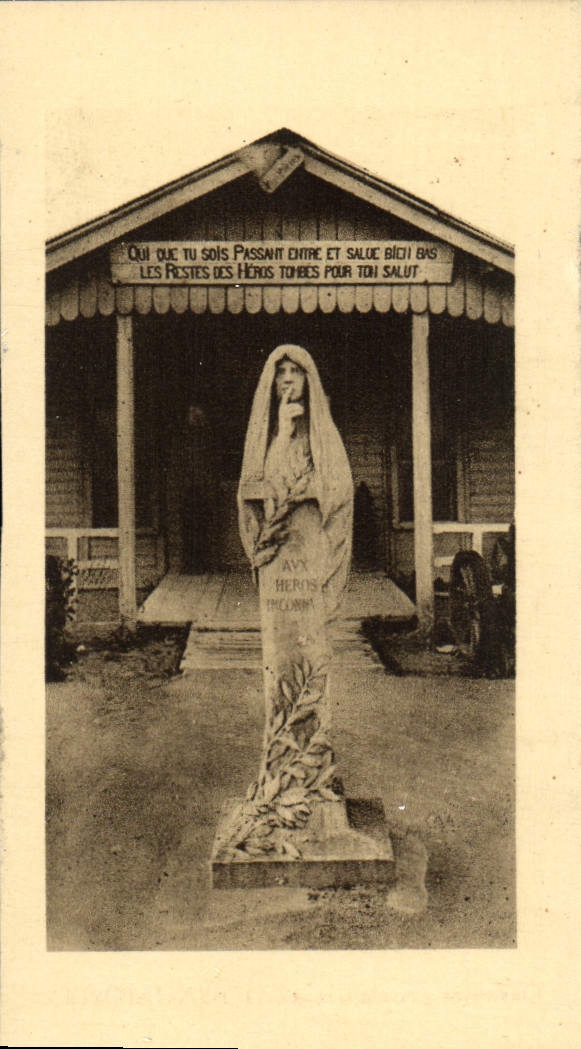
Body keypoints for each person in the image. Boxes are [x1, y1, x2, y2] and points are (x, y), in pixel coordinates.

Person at [237, 344, 353, 619]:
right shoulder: (268, 434)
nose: (288, 379)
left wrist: (311, 491)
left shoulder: (322, 433)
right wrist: (283, 433)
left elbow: (340, 486)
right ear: (273, 381)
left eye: (296, 371)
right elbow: (260, 483)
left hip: (311, 541)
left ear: (307, 378)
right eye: (281, 373)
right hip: (277, 548)